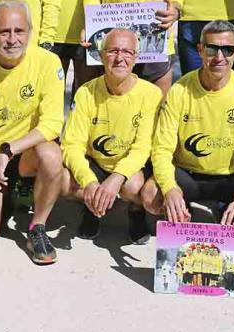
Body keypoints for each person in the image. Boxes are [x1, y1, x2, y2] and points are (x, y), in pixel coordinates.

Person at [142, 20, 234, 226]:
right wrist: (170, 188)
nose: (219, 57)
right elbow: (161, 149)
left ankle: (226, 211)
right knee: (151, 196)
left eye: (227, 50)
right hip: (188, 174)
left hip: (230, 177)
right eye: (212, 49)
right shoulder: (180, 90)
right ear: (200, 50)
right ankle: (182, 209)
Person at [0, 0, 65, 264]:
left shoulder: (48, 62)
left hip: (21, 154)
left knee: (52, 156)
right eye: (4, 31)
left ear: (30, 31)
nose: (11, 39)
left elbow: (53, 123)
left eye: (19, 31)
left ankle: (37, 228)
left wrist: (8, 152)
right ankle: (2, 197)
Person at [60, 28, 162, 243]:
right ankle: (92, 206)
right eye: (113, 51)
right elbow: (71, 145)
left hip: (127, 168)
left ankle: (135, 211)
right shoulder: (85, 92)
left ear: (135, 58)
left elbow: (143, 148)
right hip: (95, 161)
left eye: (126, 52)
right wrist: (89, 182)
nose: (119, 58)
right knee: (60, 181)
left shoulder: (150, 93)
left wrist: (116, 178)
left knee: (134, 187)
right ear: (101, 55)